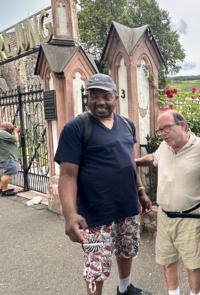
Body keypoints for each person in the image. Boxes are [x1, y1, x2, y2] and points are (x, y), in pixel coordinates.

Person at [54, 73, 152, 295]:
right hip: (94, 214)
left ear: (115, 97)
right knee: (95, 268)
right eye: (94, 96)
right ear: (87, 97)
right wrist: (70, 215)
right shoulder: (76, 128)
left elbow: (129, 161)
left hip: (126, 207)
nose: (100, 101)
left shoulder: (127, 125)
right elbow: (67, 176)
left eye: (106, 96)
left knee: (126, 250)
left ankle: (125, 289)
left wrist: (141, 191)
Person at [135, 110, 200, 295]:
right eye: (160, 130)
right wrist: (133, 162)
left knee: (193, 265)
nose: (163, 133)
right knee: (168, 262)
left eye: (166, 127)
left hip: (192, 217)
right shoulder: (164, 147)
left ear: (182, 125)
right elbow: (153, 158)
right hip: (165, 217)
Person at [0, 122, 20, 196]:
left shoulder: (2, 133)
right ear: (8, 127)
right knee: (7, 173)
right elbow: (15, 139)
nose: (13, 128)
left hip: (4, 156)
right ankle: (5, 191)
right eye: (12, 127)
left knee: (6, 173)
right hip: (8, 156)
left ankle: (2, 188)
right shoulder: (2, 133)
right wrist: (16, 132)